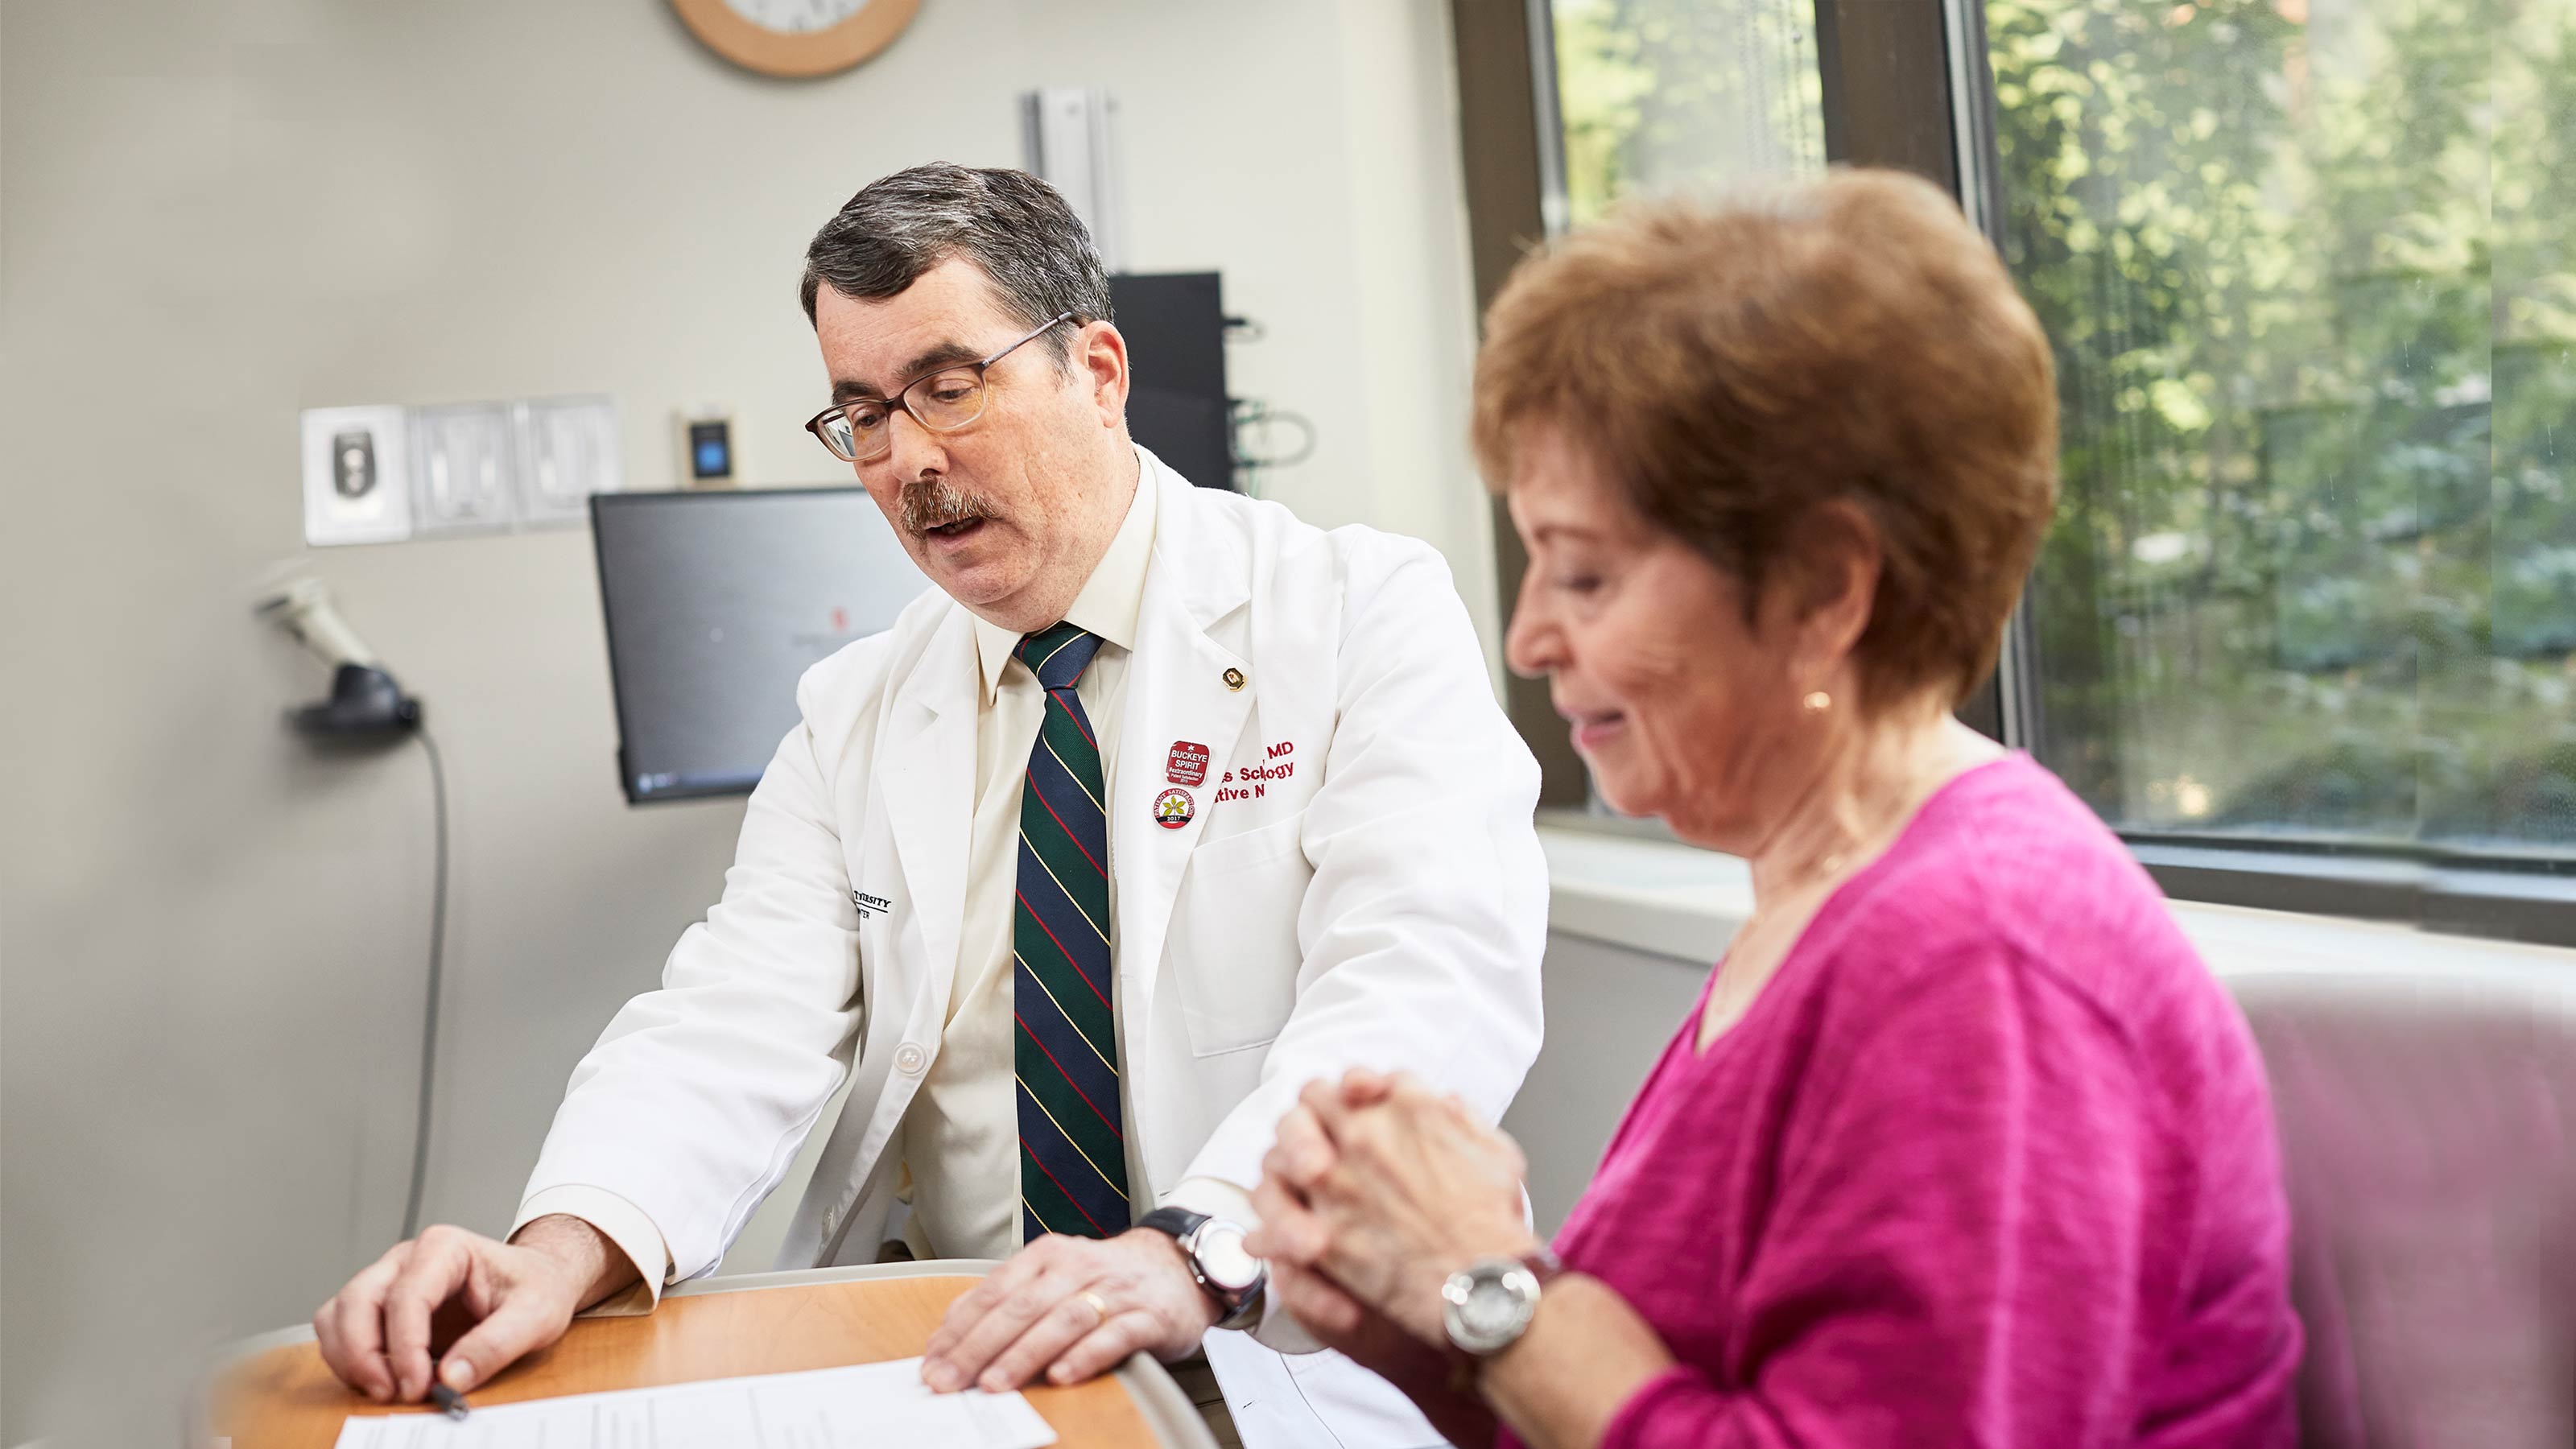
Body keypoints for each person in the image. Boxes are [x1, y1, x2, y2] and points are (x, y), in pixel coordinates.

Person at [311, 163, 1548, 1449]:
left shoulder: (1353, 614)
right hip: (950, 1360)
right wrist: (562, 1249)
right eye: (862, 415)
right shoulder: (855, 708)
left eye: (949, 389)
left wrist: (1195, 1253)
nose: (909, 461)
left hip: (1248, 1339)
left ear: (1099, 372)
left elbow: (1423, 978)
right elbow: (733, 1019)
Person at [1247, 170, 2303, 1449]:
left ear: (1823, 591)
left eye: (1585, 574)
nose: (1529, 636)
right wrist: (1404, 1305)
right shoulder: (1817, 901)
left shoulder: (1979, 953)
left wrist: (1490, 1288)